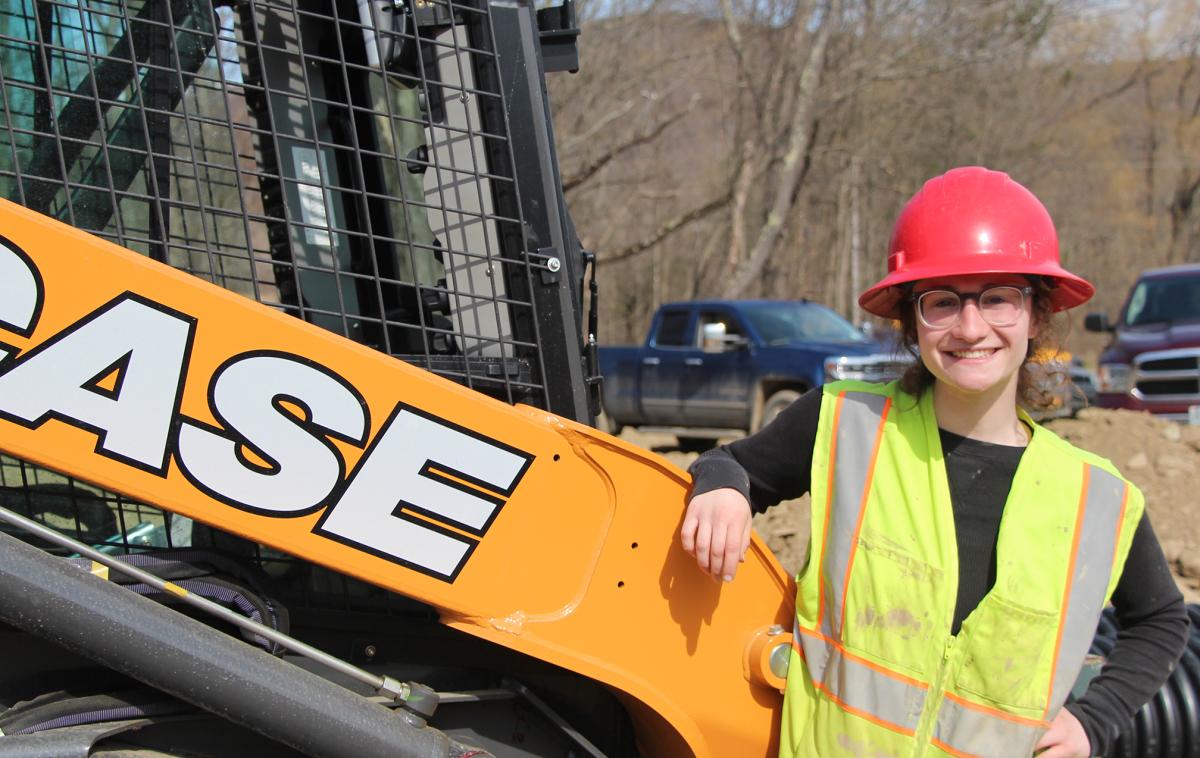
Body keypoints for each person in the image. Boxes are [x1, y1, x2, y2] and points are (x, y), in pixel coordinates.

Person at [681, 166, 1188, 758]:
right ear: (909, 321)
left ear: (1036, 316)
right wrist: (721, 487)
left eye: (999, 298)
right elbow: (730, 464)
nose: (971, 328)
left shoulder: (1097, 497)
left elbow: (1162, 621)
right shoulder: (844, 425)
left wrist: (1092, 721)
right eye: (942, 302)